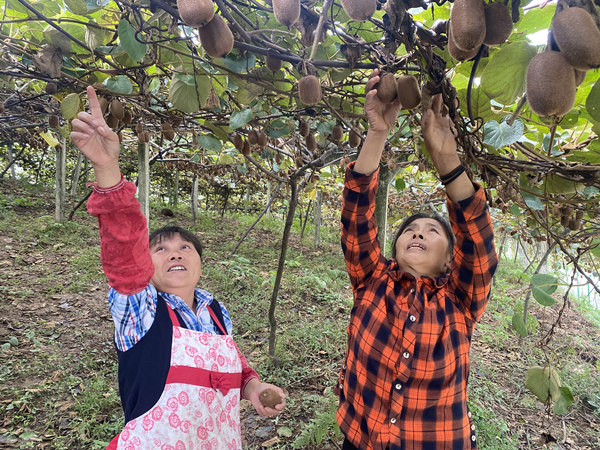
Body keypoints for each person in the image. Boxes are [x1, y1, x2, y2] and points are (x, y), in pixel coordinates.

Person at [70, 86, 285, 449]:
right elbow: (124, 257)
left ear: (200, 263)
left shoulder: (215, 311)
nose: (175, 254)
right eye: (161, 250)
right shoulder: (140, 309)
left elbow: (233, 364)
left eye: (186, 248)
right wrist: (107, 169)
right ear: (145, 264)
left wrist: (252, 387)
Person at [336, 69, 498, 450]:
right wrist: (377, 132)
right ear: (393, 251)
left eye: (432, 231)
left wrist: (446, 159)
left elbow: (479, 244)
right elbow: (357, 213)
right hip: (361, 438)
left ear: (449, 261)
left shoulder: (461, 301)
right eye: (409, 230)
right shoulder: (371, 279)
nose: (418, 233)